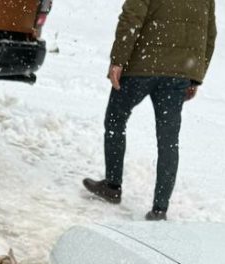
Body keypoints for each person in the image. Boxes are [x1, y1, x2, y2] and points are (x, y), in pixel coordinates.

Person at [82, 0, 217, 221]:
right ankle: (160, 209)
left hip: (141, 67)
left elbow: (131, 18)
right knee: (168, 140)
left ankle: (112, 185)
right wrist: (195, 76)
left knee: (116, 118)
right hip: (178, 74)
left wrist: (118, 60)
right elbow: (209, 34)